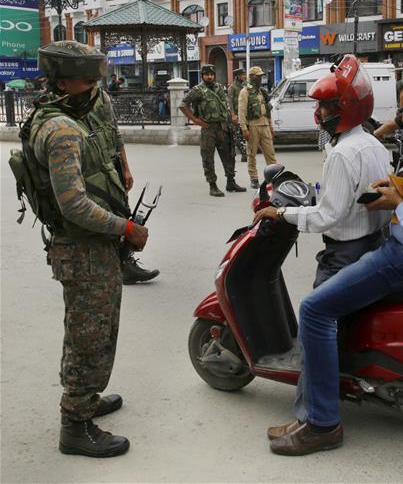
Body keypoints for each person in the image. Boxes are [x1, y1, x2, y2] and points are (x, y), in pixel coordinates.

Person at [266, 71, 403, 456]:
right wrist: (399, 190)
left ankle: (322, 424)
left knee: (316, 310)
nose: (402, 119)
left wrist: (398, 204)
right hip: (402, 245)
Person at [23, 41, 149, 457]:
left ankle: (85, 399)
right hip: (83, 249)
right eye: (88, 79)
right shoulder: (60, 130)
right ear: (64, 83)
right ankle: (75, 425)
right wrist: (127, 228)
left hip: (89, 248)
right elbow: (74, 204)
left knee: (88, 329)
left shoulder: (64, 116)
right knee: (89, 336)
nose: (97, 86)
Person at [253, 55, 391, 287]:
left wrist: (280, 213)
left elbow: (327, 216)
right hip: (376, 243)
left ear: (344, 109)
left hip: (346, 254)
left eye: (324, 105)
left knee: (313, 311)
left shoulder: (342, 153)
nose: (318, 112)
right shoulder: (373, 144)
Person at [88, 88, 160, 284]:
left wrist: (126, 168)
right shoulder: (66, 101)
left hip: (112, 165)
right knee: (100, 214)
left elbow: (115, 133)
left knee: (121, 210)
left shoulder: (102, 96)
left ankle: (124, 263)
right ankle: (111, 265)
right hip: (92, 171)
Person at [179, 64, 247, 196]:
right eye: (207, 75)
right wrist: (195, 120)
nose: (210, 77)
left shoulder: (219, 87)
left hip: (223, 127)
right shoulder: (198, 90)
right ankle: (213, 185)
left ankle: (231, 182)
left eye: (211, 74)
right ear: (202, 76)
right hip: (208, 129)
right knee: (208, 158)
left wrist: (230, 119)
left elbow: (226, 105)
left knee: (229, 156)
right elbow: (183, 105)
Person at [239, 65, 278, 189]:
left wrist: (271, 126)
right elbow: (241, 112)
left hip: (265, 125)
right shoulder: (245, 92)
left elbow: (267, 111)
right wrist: (244, 129)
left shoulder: (262, 92)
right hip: (253, 126)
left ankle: (274, 177)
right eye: (258, 76)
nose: (260, 78)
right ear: (251, 77)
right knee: (252, 154)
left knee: (270, 154)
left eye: (261, 76)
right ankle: (254, 178)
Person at [227, 68, 249, 163]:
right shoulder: (232, 87)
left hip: (244, 114)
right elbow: (230, 102)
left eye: (245, 74)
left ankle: (245, 152)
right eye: (243, 74)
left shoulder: (245, 86)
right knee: (236, 136)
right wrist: (233, 115)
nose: (245, 76)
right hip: (236, 114)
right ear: (238, 76)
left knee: (244, 134)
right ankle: (243, 153)